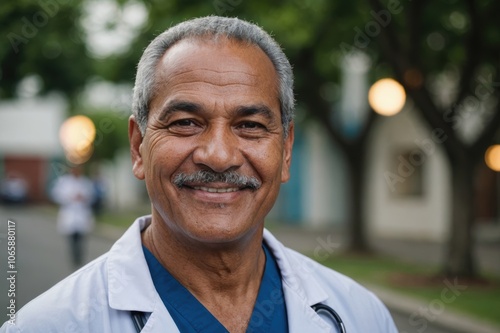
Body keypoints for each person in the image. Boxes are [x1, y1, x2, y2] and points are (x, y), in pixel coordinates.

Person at [1, 16, 398, 332]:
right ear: (138, 146)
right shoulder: (48, 325)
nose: (220, 156)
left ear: (287, 150)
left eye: (251, 126)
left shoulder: (362, 316)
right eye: (187, 122)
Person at [50, 165, 95, 267]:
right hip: (69, 213)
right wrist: (70, 197)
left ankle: (80, 257)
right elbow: (56, 195)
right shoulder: (64, 182)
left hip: (82, 214)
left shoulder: (85, 182)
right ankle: (74, 258)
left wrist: (84, 198)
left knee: (81, 238)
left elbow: (91, 196)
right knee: (71, 238)